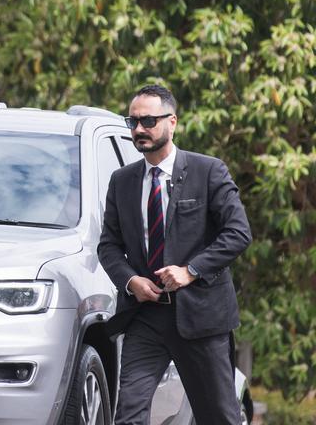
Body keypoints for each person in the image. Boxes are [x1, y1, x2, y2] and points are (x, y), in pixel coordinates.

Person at [98, 84, 251, 425]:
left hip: (201, 317)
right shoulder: (121, 181)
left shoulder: (208, 171)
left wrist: (191, 270)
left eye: (149, 121)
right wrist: (130, 281)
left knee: (219, 417)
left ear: (173, 122)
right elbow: (108, 245)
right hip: (145, 316)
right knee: (128, 415)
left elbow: (238, 233)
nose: (139, 129)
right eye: (132, 121)